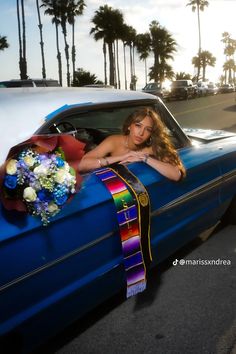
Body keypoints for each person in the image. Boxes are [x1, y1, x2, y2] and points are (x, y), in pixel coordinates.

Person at [78, 107, 186, 181]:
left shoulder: (151, 148)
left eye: (147, 129)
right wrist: (123, 157)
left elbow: (176, 175)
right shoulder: (114, 141)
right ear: (129, 126)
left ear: (151, 133)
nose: (141, 133)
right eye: (138, 125)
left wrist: (144, 158)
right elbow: (83, 165)